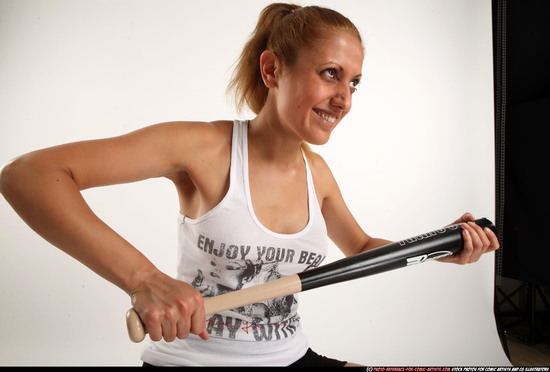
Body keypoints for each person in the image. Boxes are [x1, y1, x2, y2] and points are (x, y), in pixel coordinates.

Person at [0, 3, 499, 367]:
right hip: (194, 365)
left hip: (291, 359)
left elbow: (363, 248)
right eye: (330, 74)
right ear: (272, 69)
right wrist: (143, 279)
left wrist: (440, 247)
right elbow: (29, 175)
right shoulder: (201, 147)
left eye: (354, 82)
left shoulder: (316, 174)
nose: (344, 99)